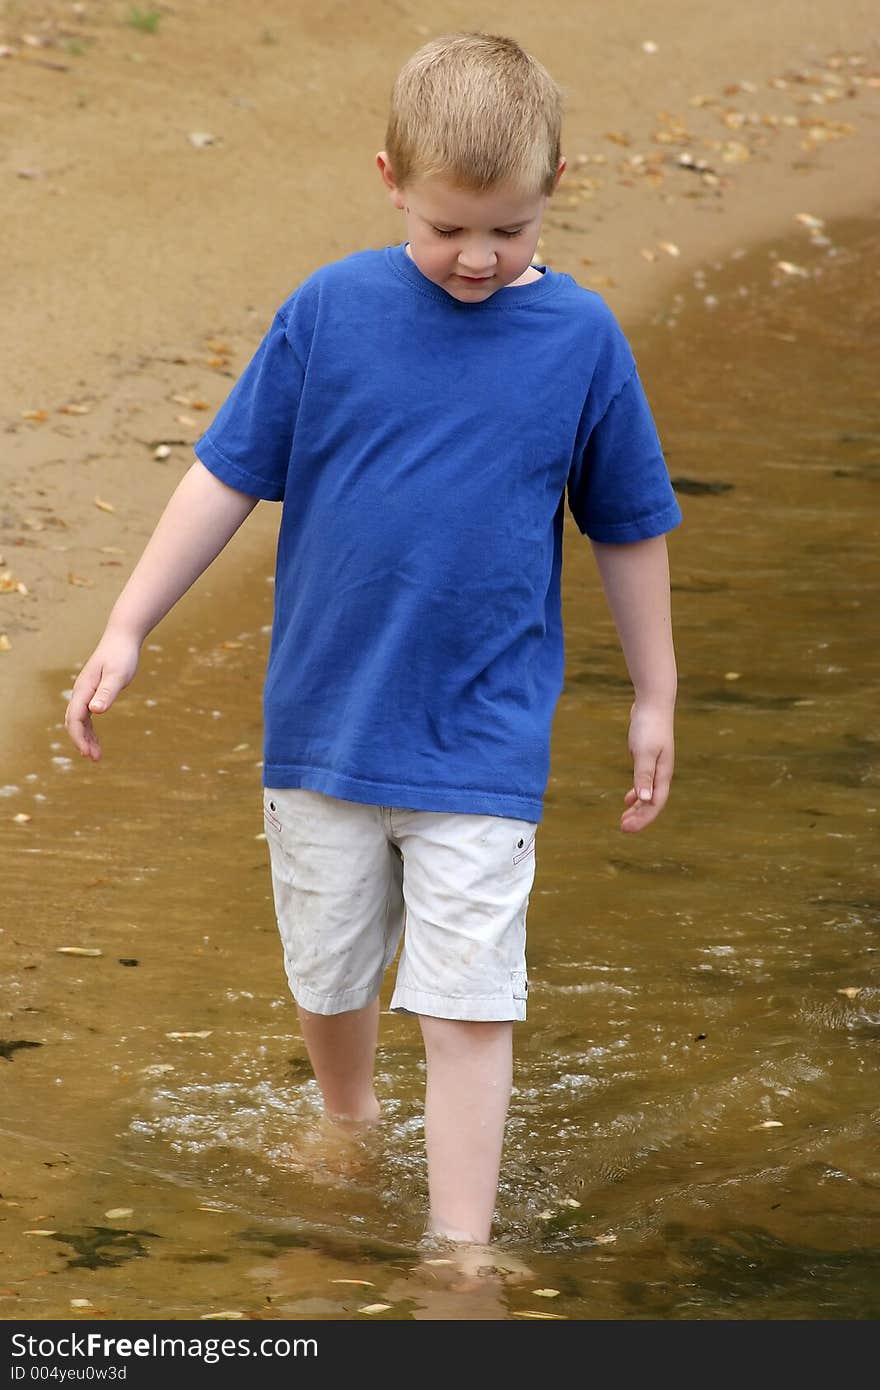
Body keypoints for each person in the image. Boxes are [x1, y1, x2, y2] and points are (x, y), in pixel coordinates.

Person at [65, 31, 681, 1272]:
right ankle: (347, 1119)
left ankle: (459, 1247)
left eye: (505, 229)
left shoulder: (580, 341)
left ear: (555, 182)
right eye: (452, 226)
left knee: (465, 1001)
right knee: (331, 964)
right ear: (391, 176)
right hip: (324, 723)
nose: (476, 257)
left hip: (482, 737)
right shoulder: (331, 311)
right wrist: (128, 623)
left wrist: (655, 694)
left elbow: (628, 527)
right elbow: (222, 479)